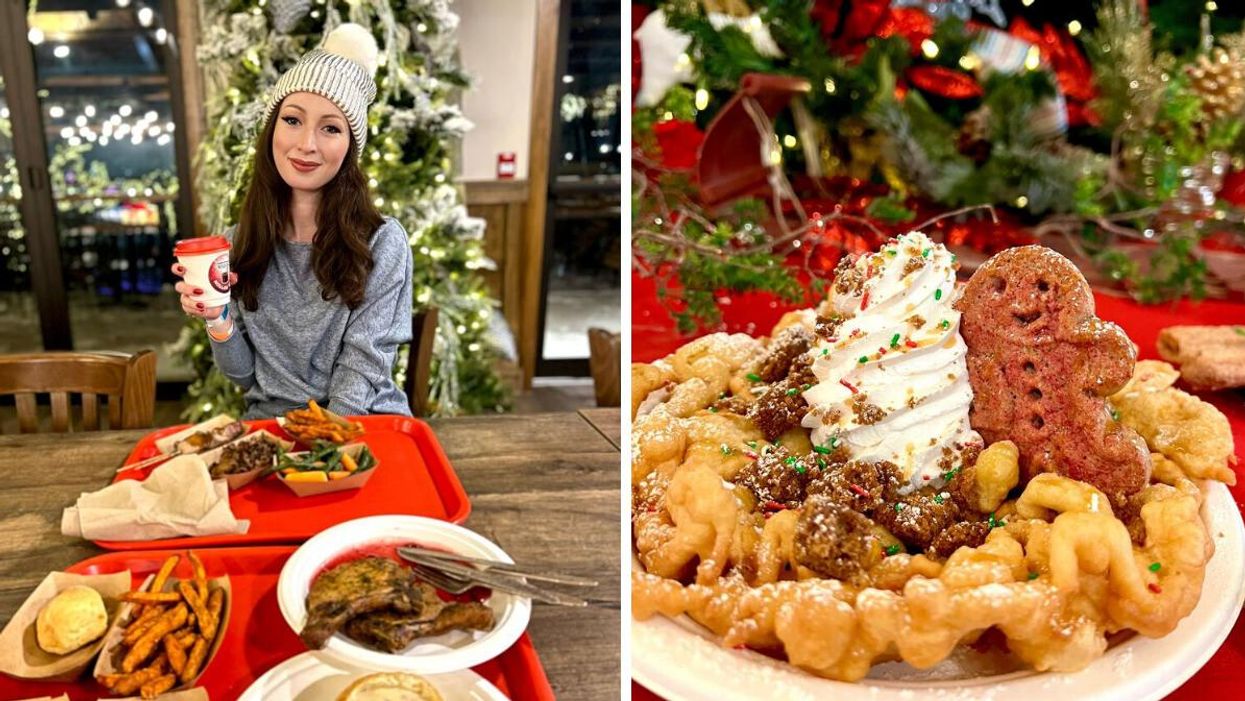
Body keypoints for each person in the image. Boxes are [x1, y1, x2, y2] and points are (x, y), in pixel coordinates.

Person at [174, 23, 413, 419]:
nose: (306, 144)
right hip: (270, 424)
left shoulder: (383, 241)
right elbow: (245, 377)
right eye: (292, 120)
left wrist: (323, 444)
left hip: (362, 423)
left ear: (350, 148)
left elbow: (364, 364)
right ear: (272, 130)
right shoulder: (238, 244)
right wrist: (216, 317)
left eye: (331, 128)